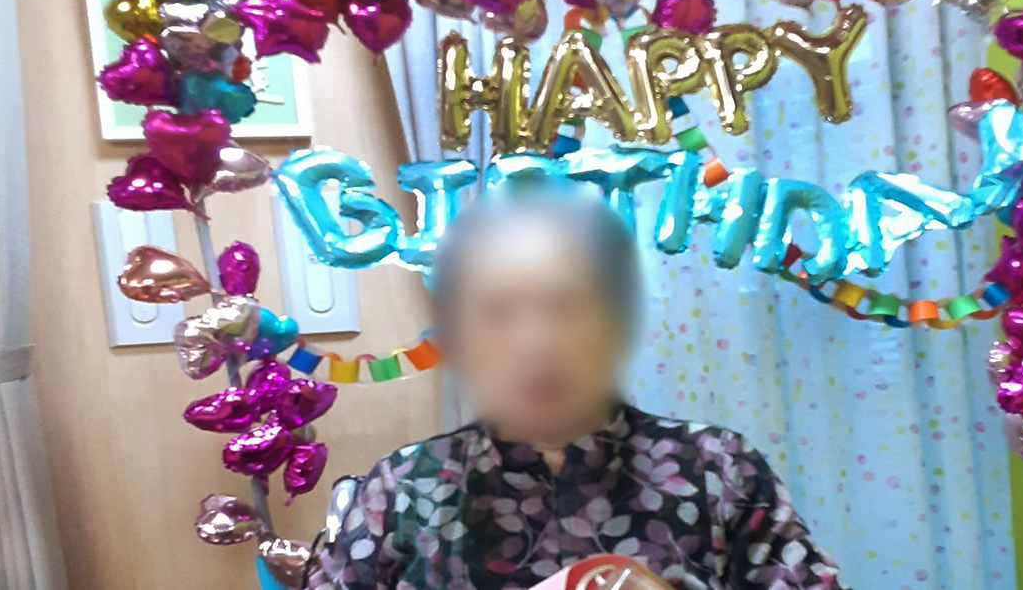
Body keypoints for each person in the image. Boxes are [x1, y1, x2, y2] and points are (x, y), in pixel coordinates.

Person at [308, 180, 845, 590]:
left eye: (565, 306)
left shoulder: (719, 468)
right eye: (497, 312)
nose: (535, 342)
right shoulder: (403, 489)